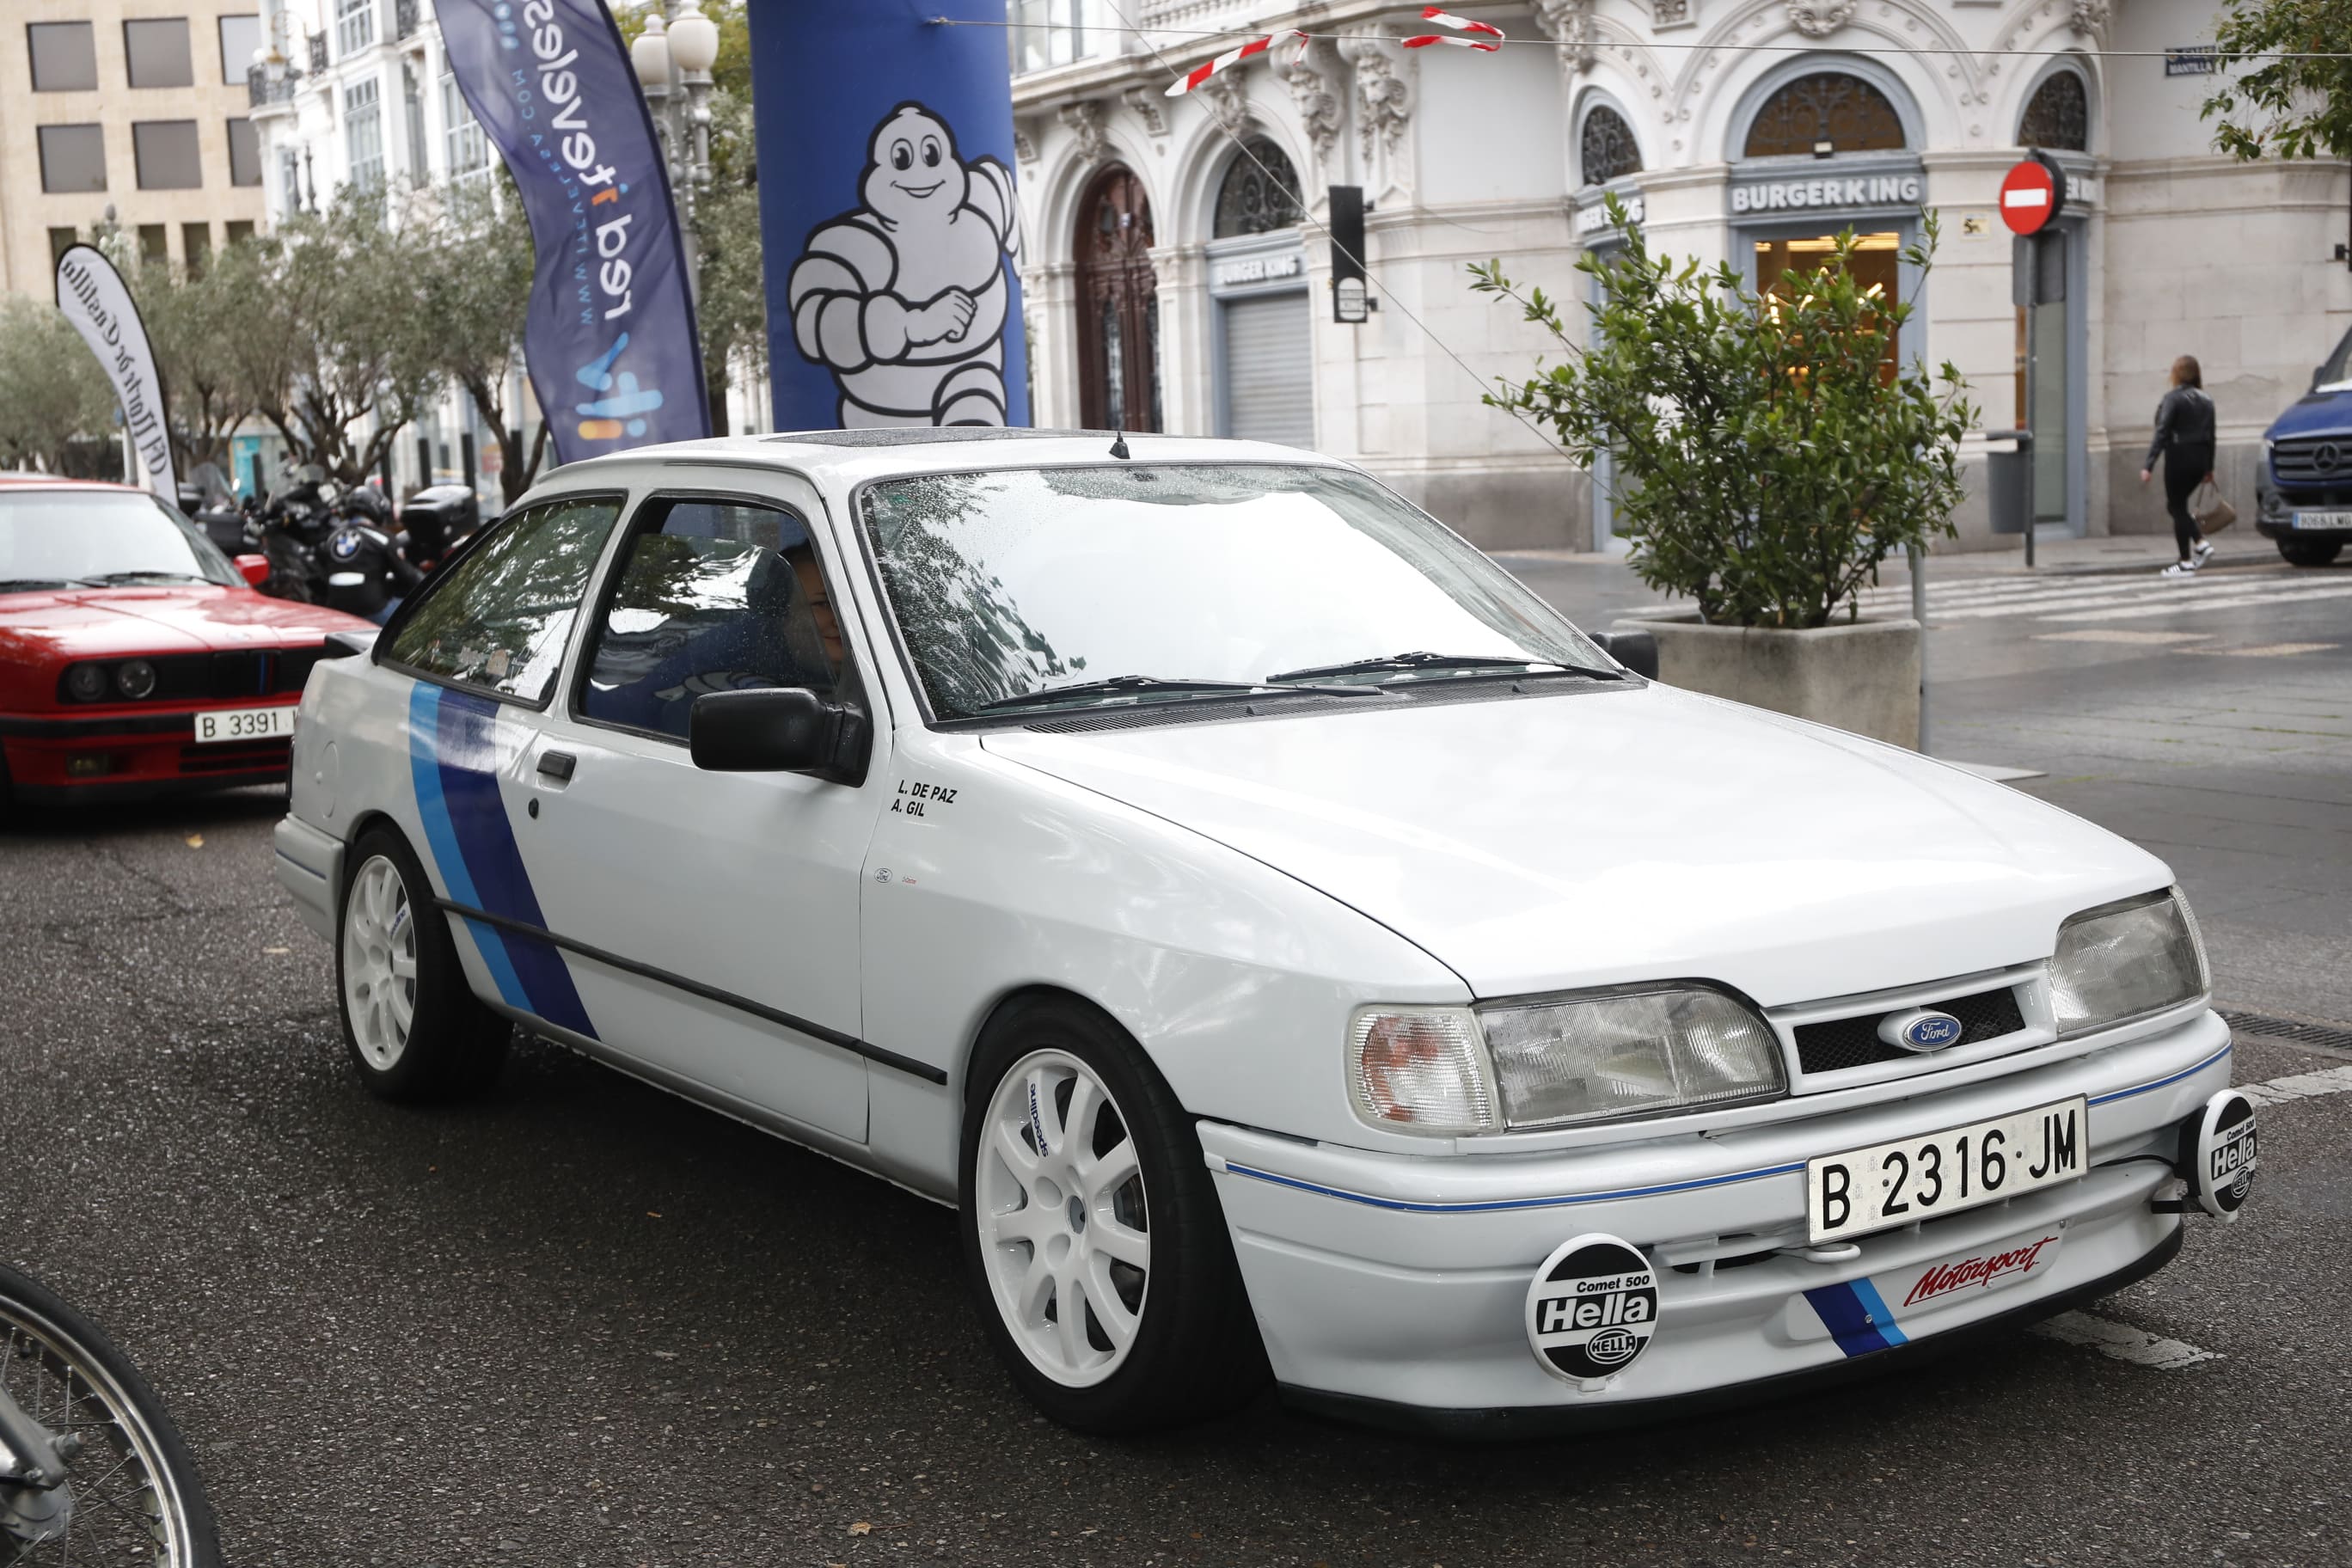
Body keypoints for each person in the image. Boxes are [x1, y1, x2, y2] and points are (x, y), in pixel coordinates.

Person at [2140, 355, 2217, 578]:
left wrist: (2149, 465)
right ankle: (2200, 544)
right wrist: (2209, 468)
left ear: (2176, 374)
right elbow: (2212, 436)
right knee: (2177, 508)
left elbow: (2162, 431)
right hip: (2200, 460)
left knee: (2177, 507)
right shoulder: (2207, 399)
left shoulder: (2173, 398)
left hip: (2179, 458)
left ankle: (2186, 561)